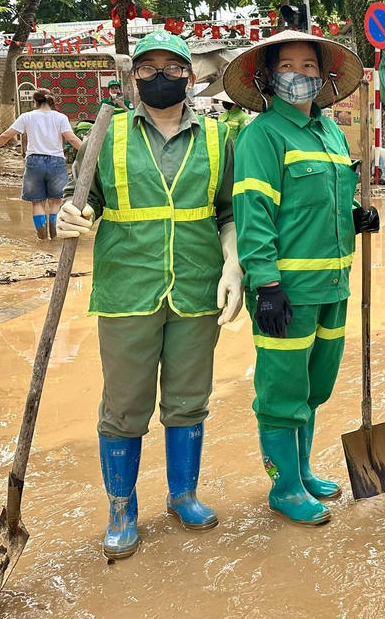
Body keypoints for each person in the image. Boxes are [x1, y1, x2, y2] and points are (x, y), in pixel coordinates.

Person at [54, 30, 243, 559]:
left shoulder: (216, 136)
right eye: (148, 68)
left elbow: (228, 212)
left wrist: (234, 264)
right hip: (127, 288)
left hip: (196, 286)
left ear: (190, 75)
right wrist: (73, 215)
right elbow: (79, 196)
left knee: (189, 400)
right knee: (124, 406)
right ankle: (121, 508)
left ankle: (183, 495)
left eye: (172, 67)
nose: (161, 76)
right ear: (132, 77)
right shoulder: (104, 134)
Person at [222, 29, 375, 525]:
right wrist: (264, 284)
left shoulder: (329, 133)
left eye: (309, 67)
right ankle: (284, 487)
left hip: (335, 284)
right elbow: (254, 213)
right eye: (287, 66)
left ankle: (303, 471)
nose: (299, 76)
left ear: (324, 76)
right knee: (281, 391)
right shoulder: (261, 135)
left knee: (315, 385)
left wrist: (355, 215)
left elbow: (321, 203)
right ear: (267, 76)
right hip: (286, 291)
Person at [0, 90, 82, 240]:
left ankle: (42, 239)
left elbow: (6, 135)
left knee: (37, 203)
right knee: (56, 201)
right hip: (56, 162)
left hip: (34, 162)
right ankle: (55, 239)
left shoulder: (27, 117)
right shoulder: (60, 117)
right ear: (52, 101)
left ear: (35, 102)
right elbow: (72, 139)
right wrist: (90, 153)